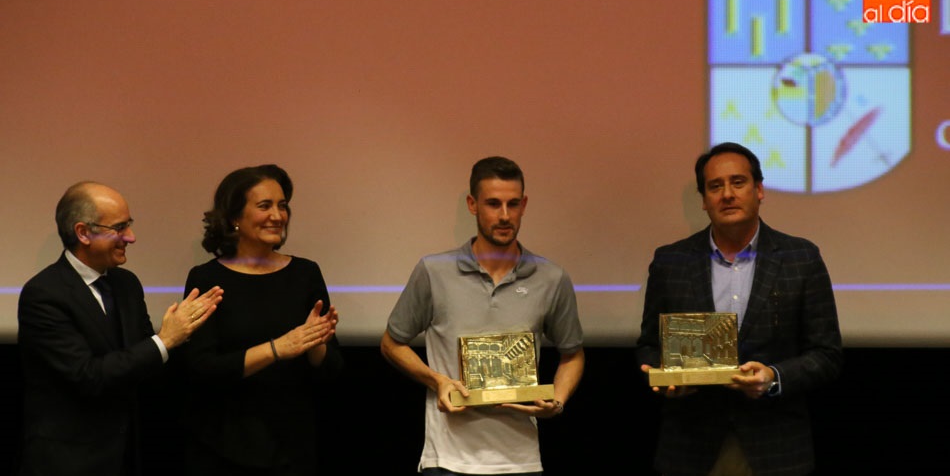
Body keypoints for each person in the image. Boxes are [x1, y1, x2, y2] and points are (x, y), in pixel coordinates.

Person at [635, 142, 844, 476]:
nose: (727, 194)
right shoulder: (670, 261)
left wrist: (774, 378)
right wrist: (666, 378)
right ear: (703, 201)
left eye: (738, 182)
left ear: (759, 190)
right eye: (715, 186)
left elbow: (827, 353)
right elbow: (648, 345)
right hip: (690, 447)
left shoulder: (801, 258)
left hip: (776, 448)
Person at [381, 156, 585, 475]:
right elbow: (391, 343)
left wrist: (556, 400)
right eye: (493, 204)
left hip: (520, 460)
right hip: (446, 461)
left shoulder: (551, 277)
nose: (505, 216)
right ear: (473, 204)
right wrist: (437, 381)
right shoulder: (434, 271)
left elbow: (572, 354)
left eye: (513, 204)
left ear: (524, 205)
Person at [16, 181, 224, 476]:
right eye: (119, 228)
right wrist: (165, 340)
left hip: (126, 454)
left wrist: (186, 337)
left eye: (130, 225)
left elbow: (143, 363)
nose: (131, 237)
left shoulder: (126, 284)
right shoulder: (44, 295)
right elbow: (88, 376)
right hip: (69, 461)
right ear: (83, 233)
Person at [176, 164, 343, 476]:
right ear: (234, 218)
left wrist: (315, 343)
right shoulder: (207, 278)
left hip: (292, 444)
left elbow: (331, 369)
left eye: (282, 206)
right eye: (265, 206)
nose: (277, 216)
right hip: (222, 443)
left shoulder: (306, 274)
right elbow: (202, 368)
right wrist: (279, 348)